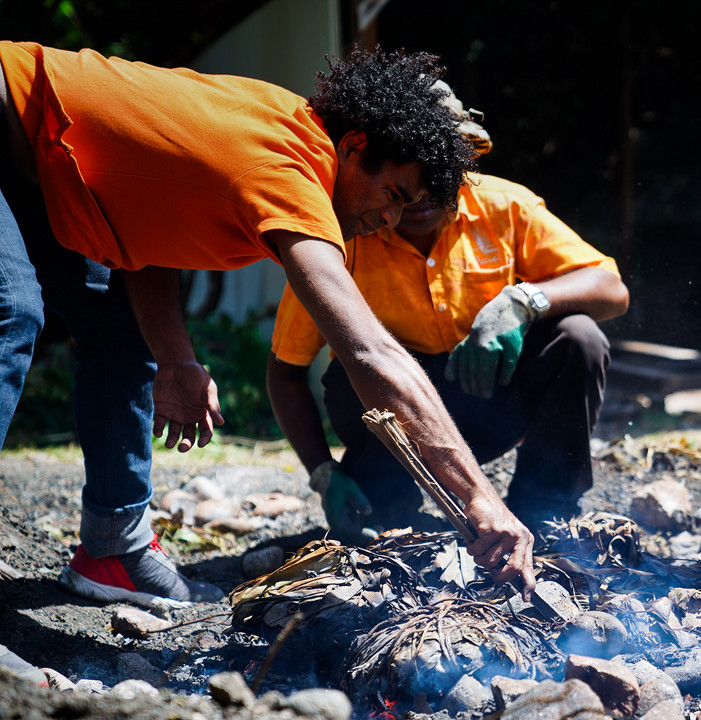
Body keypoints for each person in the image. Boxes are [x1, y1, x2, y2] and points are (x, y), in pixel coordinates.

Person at [0, 40, 535, 634]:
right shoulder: (289, 173)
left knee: (118, 331)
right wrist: (480, 499)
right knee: (9, 310)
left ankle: (112, 549)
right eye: (392, 195)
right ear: (355, 148)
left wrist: (175, 357)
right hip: (6, 113)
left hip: (47, 169)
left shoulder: (286, 128)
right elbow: (371, 353)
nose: (390, 220)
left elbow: (142, 230)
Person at [266, 87, 629, 541]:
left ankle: (546, 507)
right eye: (408, 180)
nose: (421, 195)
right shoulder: (345, 229)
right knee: (351, 392)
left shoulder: (506, 206)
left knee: (578, 337)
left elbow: (610, 286)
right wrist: (320, 470)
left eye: (439, 170)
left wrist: (523, 300)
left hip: (489, 406)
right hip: (395, 430)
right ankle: (388, 510)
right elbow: (285, 372)